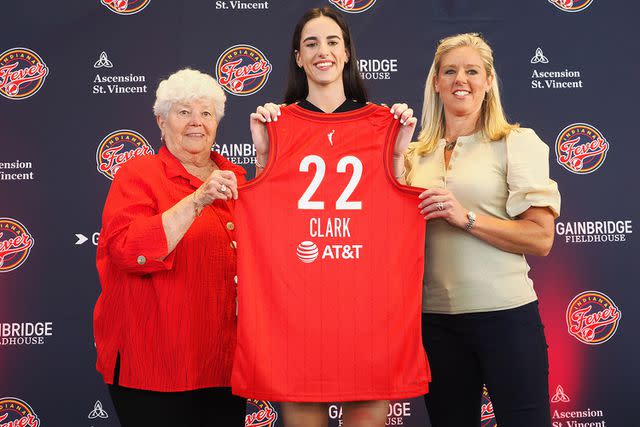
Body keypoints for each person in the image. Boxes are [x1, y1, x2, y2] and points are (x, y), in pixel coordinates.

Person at [232, 7, 427, 427]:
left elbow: (391, 209)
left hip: (368, 313)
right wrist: (264, 154)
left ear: (347, 53)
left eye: (333, 41)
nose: (324, 51)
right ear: (298, 58)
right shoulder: (276, 123)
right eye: (312, 43)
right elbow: (263, 206)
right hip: (296, 315)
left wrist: (396, 154)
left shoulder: (384, 123)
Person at [404, 33, 561, 427]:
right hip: (434, 323)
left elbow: (541, 238)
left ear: (488, 81)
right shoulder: (411, 155)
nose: (462, 79)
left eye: (472, 71)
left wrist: (467, 218)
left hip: (506, 317)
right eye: (450, 71)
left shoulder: (516, 143)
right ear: (436, 82)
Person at [93, 68, 247, 427]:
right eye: (183, 112)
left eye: (206, 113)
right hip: (153, 366)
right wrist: (196, 200)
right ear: (161, 121)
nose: (197, 122)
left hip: (222, 365)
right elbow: (128, 250)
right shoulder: (138, 174)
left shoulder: (237, 179)